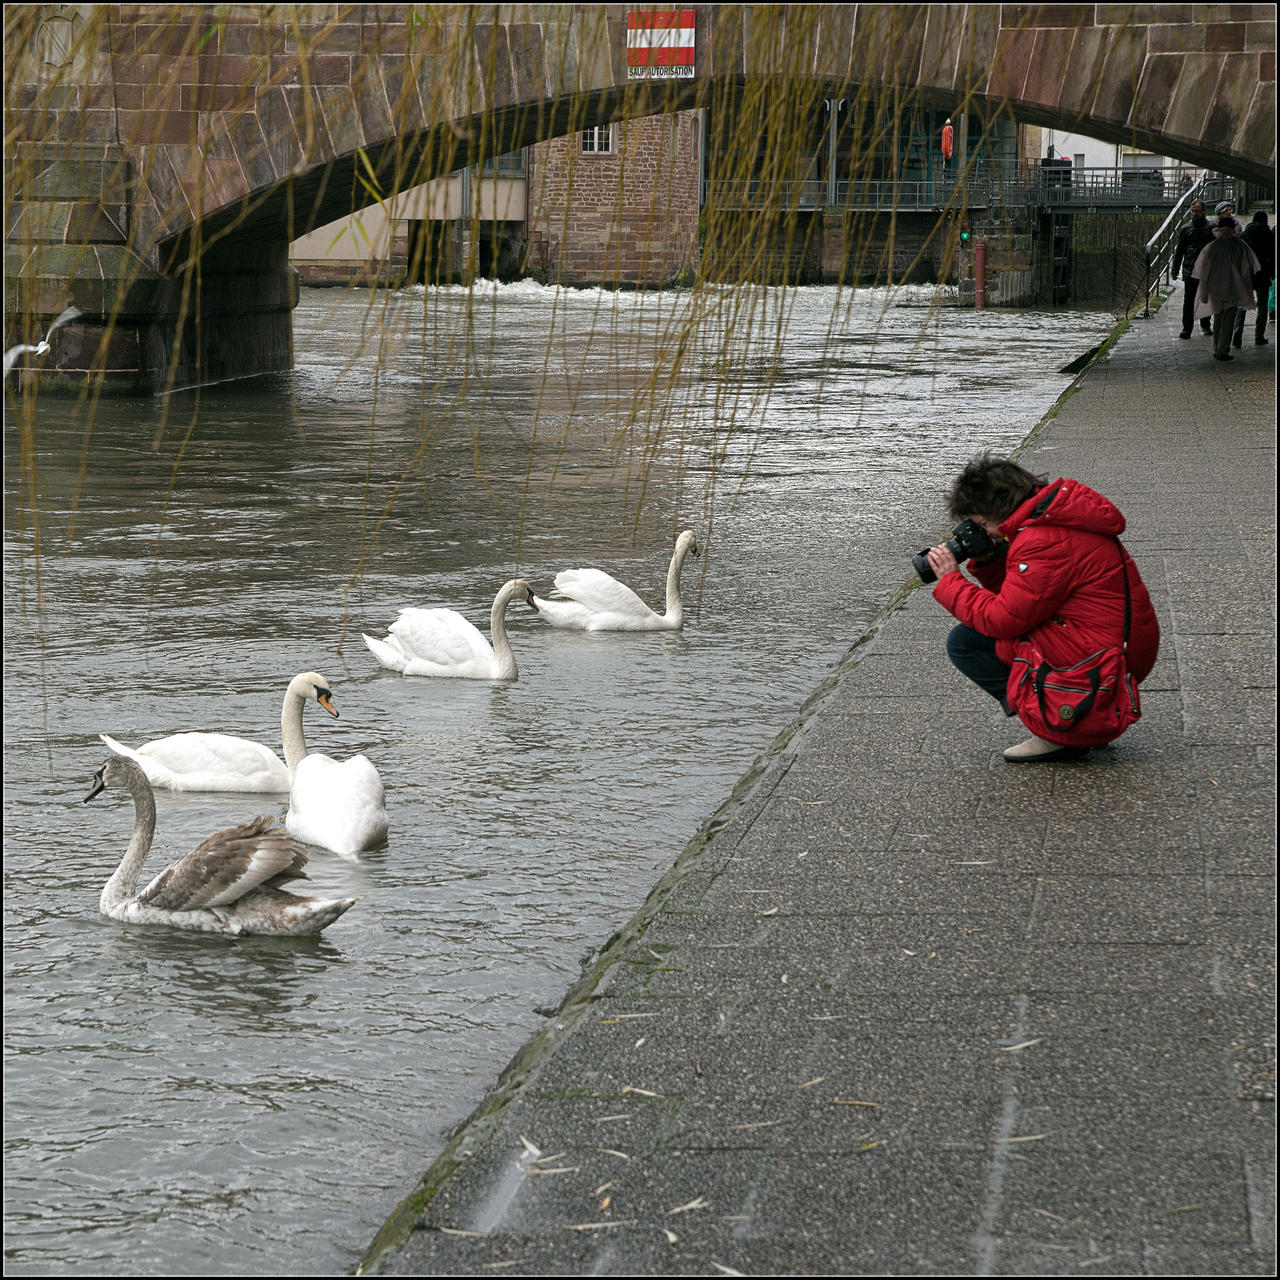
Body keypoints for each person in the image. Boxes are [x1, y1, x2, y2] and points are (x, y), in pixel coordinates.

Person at [928, 454, 1160, 764]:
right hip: (1121, 646)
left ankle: (1058, 729)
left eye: (983, 524)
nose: (989, 533)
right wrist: (990, 559)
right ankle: (1081, 716)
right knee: (989, 633)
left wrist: (951, 581)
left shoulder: (1042, 539)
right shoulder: (1052, 517)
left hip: (1105, 658)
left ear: (999, 507)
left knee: (966, 643)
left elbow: (1004, 618)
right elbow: (1031, 597)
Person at [1192, 201, 1262, 362]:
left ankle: (1217, 347)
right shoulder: (1240, 246)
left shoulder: (1212, 246)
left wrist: (1203, 291)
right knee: (1229, 319)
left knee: (1218, 318)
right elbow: (1248, 268)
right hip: (1232, 287)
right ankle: (1223, 349)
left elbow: (1203, 270)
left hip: (1215, 286)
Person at [1170, 199, 1215, 338]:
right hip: (1190, 268)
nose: (1194, 214)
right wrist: (1175, 270)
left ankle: (1205, 325)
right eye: (1192, 211)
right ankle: (1187, 328)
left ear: (1203, 211)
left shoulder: (1211, 228)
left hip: (1207, 268)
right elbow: (1180, 251)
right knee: (1188, 300)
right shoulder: (1186, 228)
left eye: (1197, 211)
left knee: (1205, 298)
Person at [1231, 210, 1274, 347]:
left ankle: (1238, 330)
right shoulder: (1269, 235)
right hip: (1262, 274)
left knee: (1243, 304)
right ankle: (1259, 335)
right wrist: (1272, 272)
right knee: (1262, 305)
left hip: (1246, 274)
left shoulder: (1245, 234)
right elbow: (1274, 254)